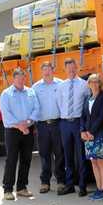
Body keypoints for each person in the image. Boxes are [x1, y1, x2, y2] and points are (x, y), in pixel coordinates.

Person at [0, 68, 40, 200]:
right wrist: (20, 126)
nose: (22, 80)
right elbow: (6, 113)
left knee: (26, 159)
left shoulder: (31, 92)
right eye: (19, 78)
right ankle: (8, 189)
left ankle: (22, 188)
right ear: (14, 79)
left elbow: (36, 108)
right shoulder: (6, 94)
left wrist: (28, 123)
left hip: (27, 128)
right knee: (11, 159)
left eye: (23, 78)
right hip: (13, 131)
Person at [56, 58, 90, 197]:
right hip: (65, 123)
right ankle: (69, 185)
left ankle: (82, 186)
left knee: (81, 155)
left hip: (78, 123)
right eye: (68, 69)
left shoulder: (84, 85)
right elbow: (59, 103)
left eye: (73, 68)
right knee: (67, 155)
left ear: (77, 68)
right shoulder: (61, 86)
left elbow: (87, 105)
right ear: (65, 69)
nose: (71, 71)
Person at [32, 61, 65, 195]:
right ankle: (45, 182)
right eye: (44, 70)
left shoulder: (61, 84)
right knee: (44, 154)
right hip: (42, 125)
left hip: (58, 123)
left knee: (59, 153)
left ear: (53, 70)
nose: (46, 72)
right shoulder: (36, 87)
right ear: (41, 72)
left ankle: (61, 181)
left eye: (49, 69)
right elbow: (33, 106)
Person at [80, 74, 103, 201]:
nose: (94, 84)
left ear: (100, 83)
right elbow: (83, 117)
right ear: (88, 84)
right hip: (88, 136)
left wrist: (91, 131)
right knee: (93, 161)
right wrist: (83, 131)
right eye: (91, 82)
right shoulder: (87, 98)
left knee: (102, 162)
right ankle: (98, 188)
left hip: (99, 134)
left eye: (96, 81)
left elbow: (102, 116)